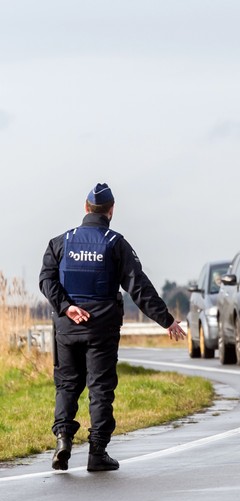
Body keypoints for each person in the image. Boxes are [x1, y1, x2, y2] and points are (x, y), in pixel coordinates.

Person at [39, 183, 187, 472]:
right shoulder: (115, 243)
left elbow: (46, 280)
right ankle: (97, 452)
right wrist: (166, 320)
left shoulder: (60, 242)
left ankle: (63, 440)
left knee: (67, 384)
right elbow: (139, 287)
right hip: (102, 329)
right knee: (101, 388)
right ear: (111, 211)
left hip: (67, 328)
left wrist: (67, 307)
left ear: (85, 208)